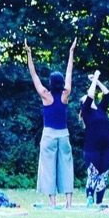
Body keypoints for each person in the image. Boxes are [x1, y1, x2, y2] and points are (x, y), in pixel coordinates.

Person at [25, 37, 77, 208]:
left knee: (48, 169)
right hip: (64, 135)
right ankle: (69, 203)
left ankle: (53, 203)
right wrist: (71, 52)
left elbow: (33, 75)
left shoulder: (45, 95)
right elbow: (69, 73)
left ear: (50, 83)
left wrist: (29, 54)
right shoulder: (65, 95)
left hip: (48, 135)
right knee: (66, 167)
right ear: (61, 83)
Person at [79, 70, 109, 206]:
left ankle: (99, 202)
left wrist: (97, 81)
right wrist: (95, 78)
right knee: (93, 174)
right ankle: (89, 198)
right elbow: (90, 95)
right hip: (92, 148)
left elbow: (107, 93)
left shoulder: (100, 109)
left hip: (106, 148)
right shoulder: (86, 111)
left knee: (103, 175)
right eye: (85, 98)